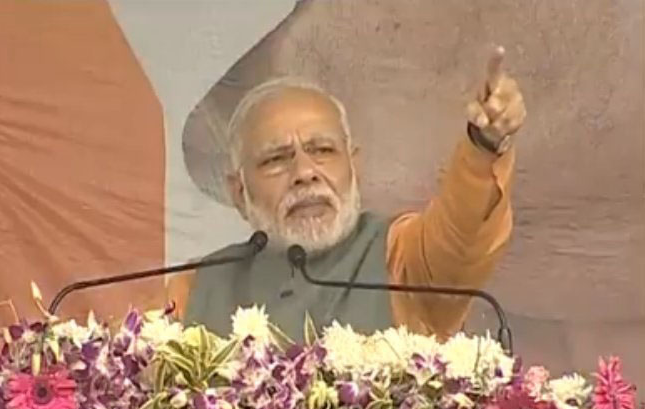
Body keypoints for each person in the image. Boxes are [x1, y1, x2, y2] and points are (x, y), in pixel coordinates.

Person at [166, 46, 526, 341]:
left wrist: (483, 145)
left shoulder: (400, 256)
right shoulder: (195, 289)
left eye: (322, 150)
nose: (304, 173)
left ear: (355, 166)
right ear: (238, 191)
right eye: (276, 159)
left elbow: (463, 239)